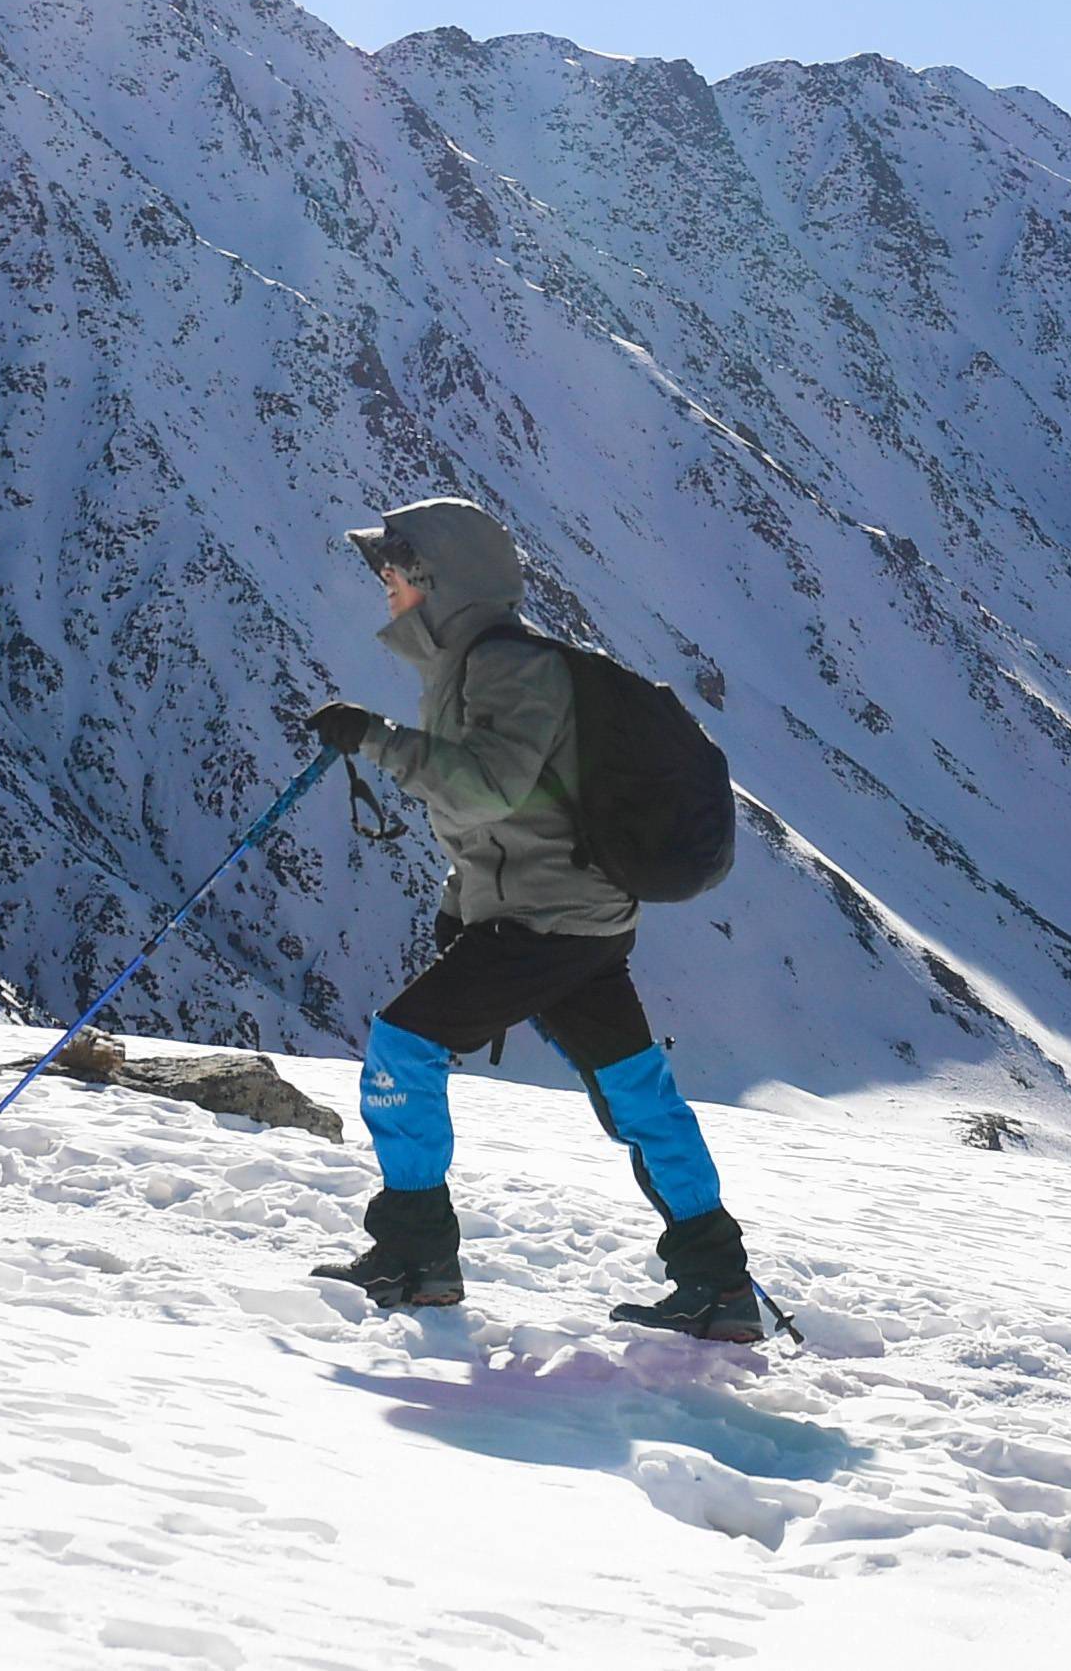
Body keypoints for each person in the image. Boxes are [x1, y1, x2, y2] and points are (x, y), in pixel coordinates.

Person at [300, 495, 765, 1340]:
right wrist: (461, 906)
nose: (386, 589)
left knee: (401, 1049)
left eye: (395, 574)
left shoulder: (506, 666)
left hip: (545, 925)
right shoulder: (474, 662)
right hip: (573, 919)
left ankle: (415, 1259)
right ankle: (718, 1285)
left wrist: (375, 738)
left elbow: (487, 788)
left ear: (437, 579)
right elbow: (512, 821)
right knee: (638, 1094)